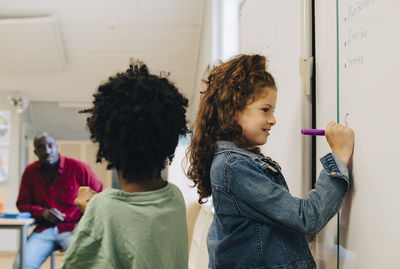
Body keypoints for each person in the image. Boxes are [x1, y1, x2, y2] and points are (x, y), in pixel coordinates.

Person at [186, 54, 355, 269]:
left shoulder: (234, 163)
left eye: (272, 110)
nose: (273, 120)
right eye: (265, 110)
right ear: (234, 111)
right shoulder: (235, 167)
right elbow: (307, 219)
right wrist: (338, 155)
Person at [60, 60, 189, 269]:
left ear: (107, 145)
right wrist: (98, 208)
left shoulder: (102, 211)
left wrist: (94, 212)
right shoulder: (175, 197)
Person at [14, 132, 103, 269]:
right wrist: (42, 212)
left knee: (89, 265)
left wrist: (84, 224)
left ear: (57, 147)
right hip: (44, 230)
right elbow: (22, 203)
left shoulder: (79, 168)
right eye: (41, 147)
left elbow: (99, 197)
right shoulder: (30, 172)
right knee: (21, 265)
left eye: (50, 146)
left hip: (74, 230)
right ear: (35, 152)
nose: (47, 151)